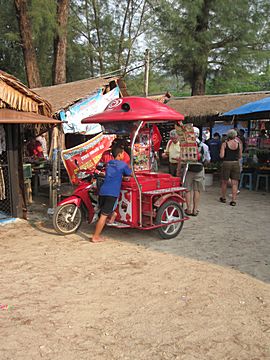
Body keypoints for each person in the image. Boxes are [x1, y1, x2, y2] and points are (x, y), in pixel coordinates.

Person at [91, 147, 132, 243]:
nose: (124, 155)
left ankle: (113, 216)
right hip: (112, 193)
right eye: (123, 154)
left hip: (103, 191)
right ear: (119, 155)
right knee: (103, 215)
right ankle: (95, 237)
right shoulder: (123, 164)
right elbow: (129, 174)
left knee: (104, 211)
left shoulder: (109, 163)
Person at [184, 127, 210, 216]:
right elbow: (208, 159)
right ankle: (195, 210)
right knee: (197, 190)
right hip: (199, 169)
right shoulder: (204, 146)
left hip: (189, 169)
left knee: (187, 189)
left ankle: (188, 209)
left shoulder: (186, 145)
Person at [219, 129, 242, 206]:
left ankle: (223, 197)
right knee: (235, 183)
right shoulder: (238, 144)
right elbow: (240, 156)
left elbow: (221, 156)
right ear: (235, 135)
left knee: (224, 181)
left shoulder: (224, 144)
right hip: (235, 163)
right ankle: (233, 200)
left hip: (226, 163)